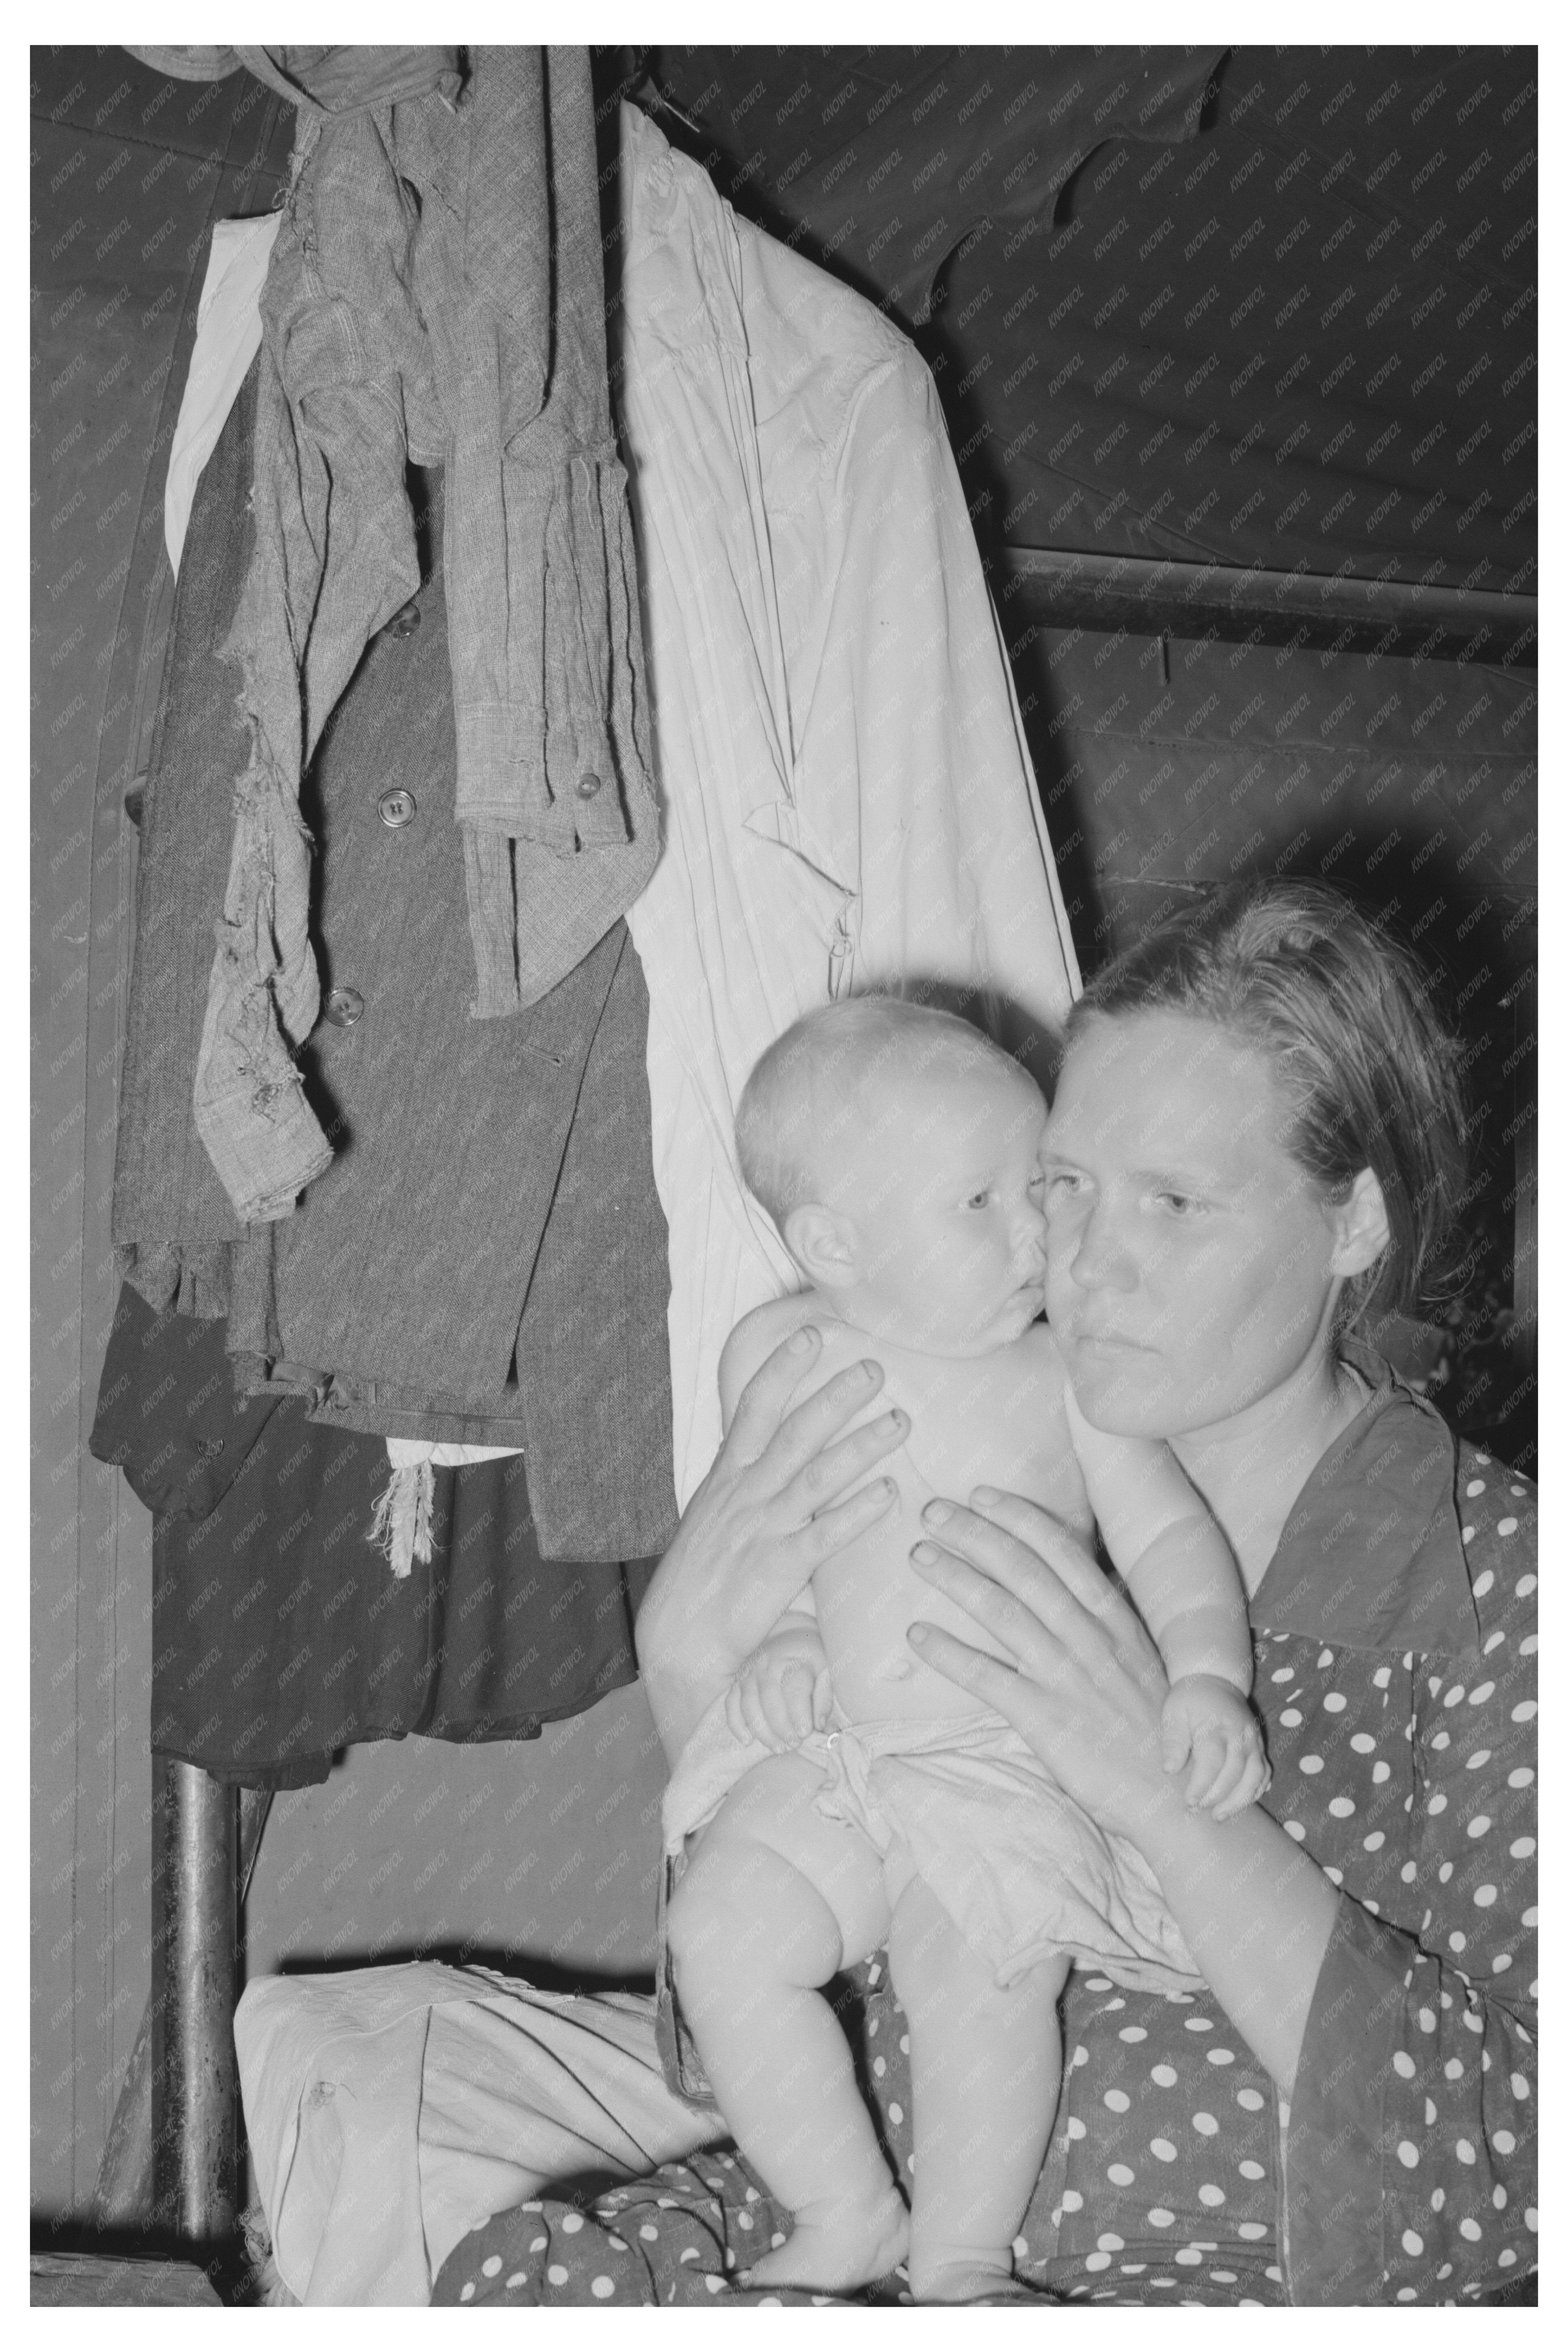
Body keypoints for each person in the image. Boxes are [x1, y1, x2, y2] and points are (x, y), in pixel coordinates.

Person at [238, 880, 1535, 2306]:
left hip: (1217, 2281)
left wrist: (1169, 1803)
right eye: (1063, 1183)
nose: (1083, 1262)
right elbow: (797, 1963)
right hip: (898, 2237)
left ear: (1355, 1223)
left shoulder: (1497, 1588)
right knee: (517, 2276)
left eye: (1174, 1201)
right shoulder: (975, 1422)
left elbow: (1517, 2174)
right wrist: (695, 1675)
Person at [659, 998, 1266, 2300]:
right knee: (719, 1928)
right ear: (833, 1242)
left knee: (986, 1977)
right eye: (978, 1203)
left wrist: (1207, 1669)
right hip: (832, 1754)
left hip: (999, 1757)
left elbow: (1165, 1538)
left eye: (1033, 1186)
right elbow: (779, 1538)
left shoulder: (1065, 1378)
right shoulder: (779, 1351)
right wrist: (784, 1638)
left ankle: (960, 2254)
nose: (1036, 1233)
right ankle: (844, 2207)